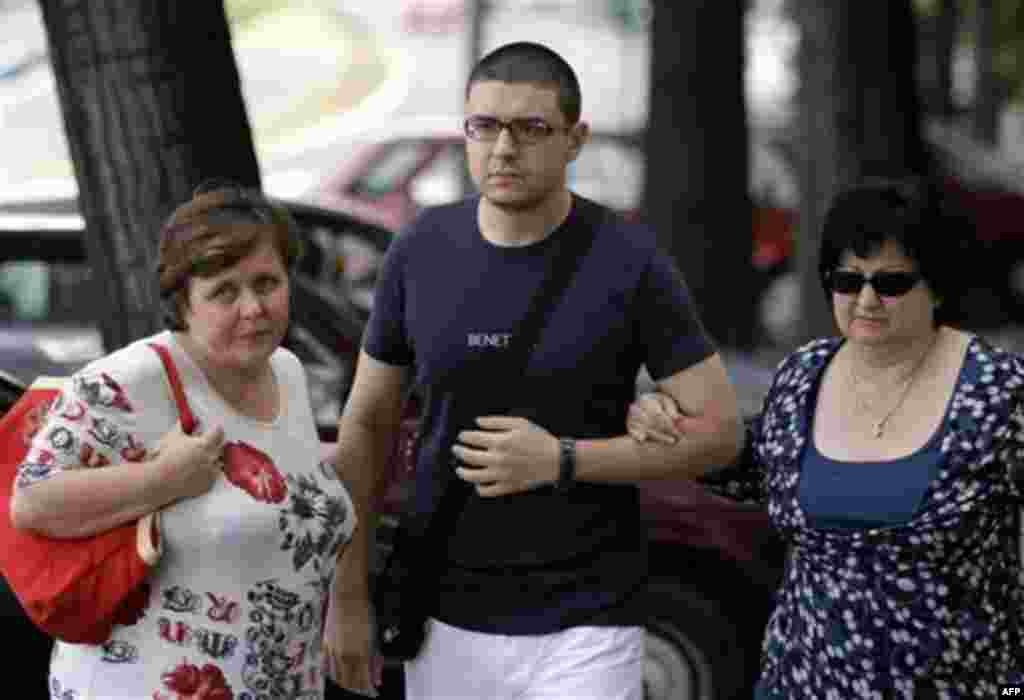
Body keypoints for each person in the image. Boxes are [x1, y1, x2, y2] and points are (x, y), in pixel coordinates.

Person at [323, 40, 743, 699]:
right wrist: (346, 596)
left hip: (590, 613)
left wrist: (565, 459)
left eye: (531, 128)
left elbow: (720, 433)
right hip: (442, 608)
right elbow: (368, 423)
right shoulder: (420, 250)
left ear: (575, 140)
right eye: (483, 126)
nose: (503, 148)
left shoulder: (629, 260)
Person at [627, 177, 1024, 698]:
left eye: (891, 283)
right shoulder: (804, 374)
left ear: (937, 286)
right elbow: (756, 469)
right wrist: (670, 424)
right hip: (800, 682)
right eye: (846, 280)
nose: (866, 300)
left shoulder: (998, 392)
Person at [10, 183, 357, 699]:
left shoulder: (285, 371)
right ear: (183, 303)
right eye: (224, 291)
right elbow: (31, 503)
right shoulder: (129, 380)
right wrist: (163, 479)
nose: (253, 308)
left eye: (267, 283)